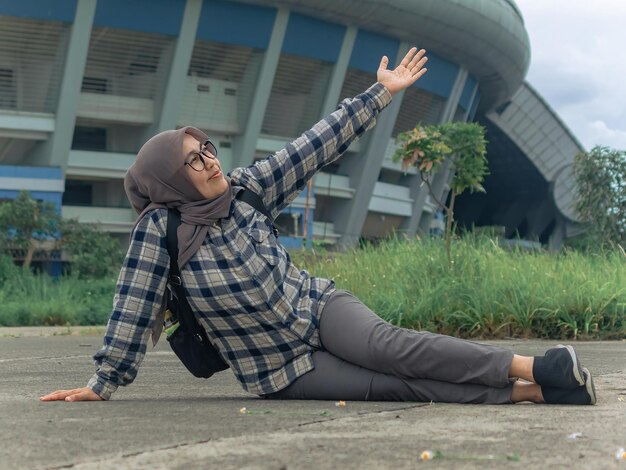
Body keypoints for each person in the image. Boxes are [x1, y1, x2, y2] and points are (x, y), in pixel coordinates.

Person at [40, 48, 595, 406]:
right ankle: (537, 394)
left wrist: (382, 93)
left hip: (318, 308)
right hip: (279, 367)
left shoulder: (246, 189)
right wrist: (102, 382)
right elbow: (133, 306)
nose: (208, 161)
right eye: (191, 160)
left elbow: (314, 145)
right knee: (393, 389)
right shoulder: (159, 232)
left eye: (206, 148)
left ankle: (538, 365)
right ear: (166, 180)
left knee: (393, 347)